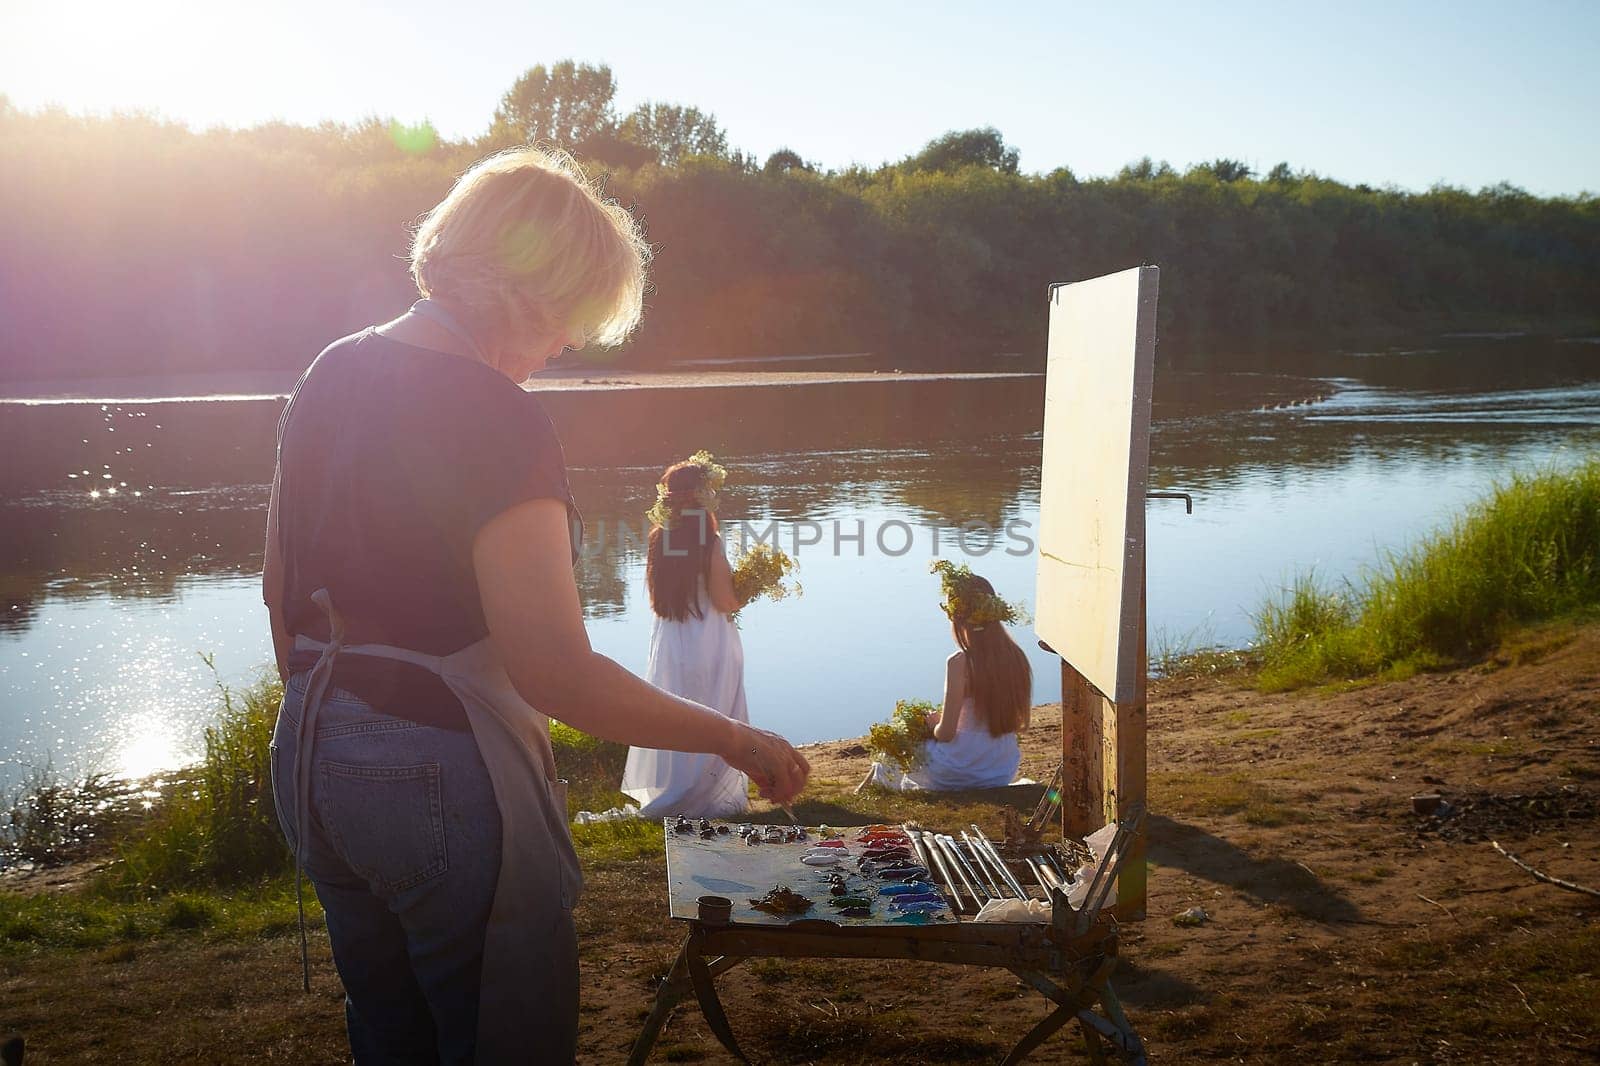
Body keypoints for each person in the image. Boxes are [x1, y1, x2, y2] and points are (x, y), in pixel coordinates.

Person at [261, 147, 808, 1066]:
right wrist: (733, 739)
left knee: (388, 1038)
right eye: (570, 318)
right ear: (523, 291)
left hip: (313, 752)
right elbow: (555, 672)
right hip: (437, 768)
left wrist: (336, 735)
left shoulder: (330, 371)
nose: (565, 347)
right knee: (500, 1035)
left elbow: (280, 592)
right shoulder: (497, 414)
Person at [620, 454, 751, 817]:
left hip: (671, 640)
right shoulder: (709, 542)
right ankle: (707, 794)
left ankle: (674, 785)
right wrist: (751, 587)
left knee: (677, 713)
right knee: (714, 709)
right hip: (709, 640)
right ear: (704, 496)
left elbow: (656, 596)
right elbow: (725, 601)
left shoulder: (658, 538)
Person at [864, 563, 1032, 791]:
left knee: (889, 756)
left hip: (959, 768)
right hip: (1000, 768)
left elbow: (946, 734)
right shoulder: (1017, 657)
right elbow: (1018, 722)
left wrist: (934, 724)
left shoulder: (959, 662)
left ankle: (859, 801)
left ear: (958, 618)